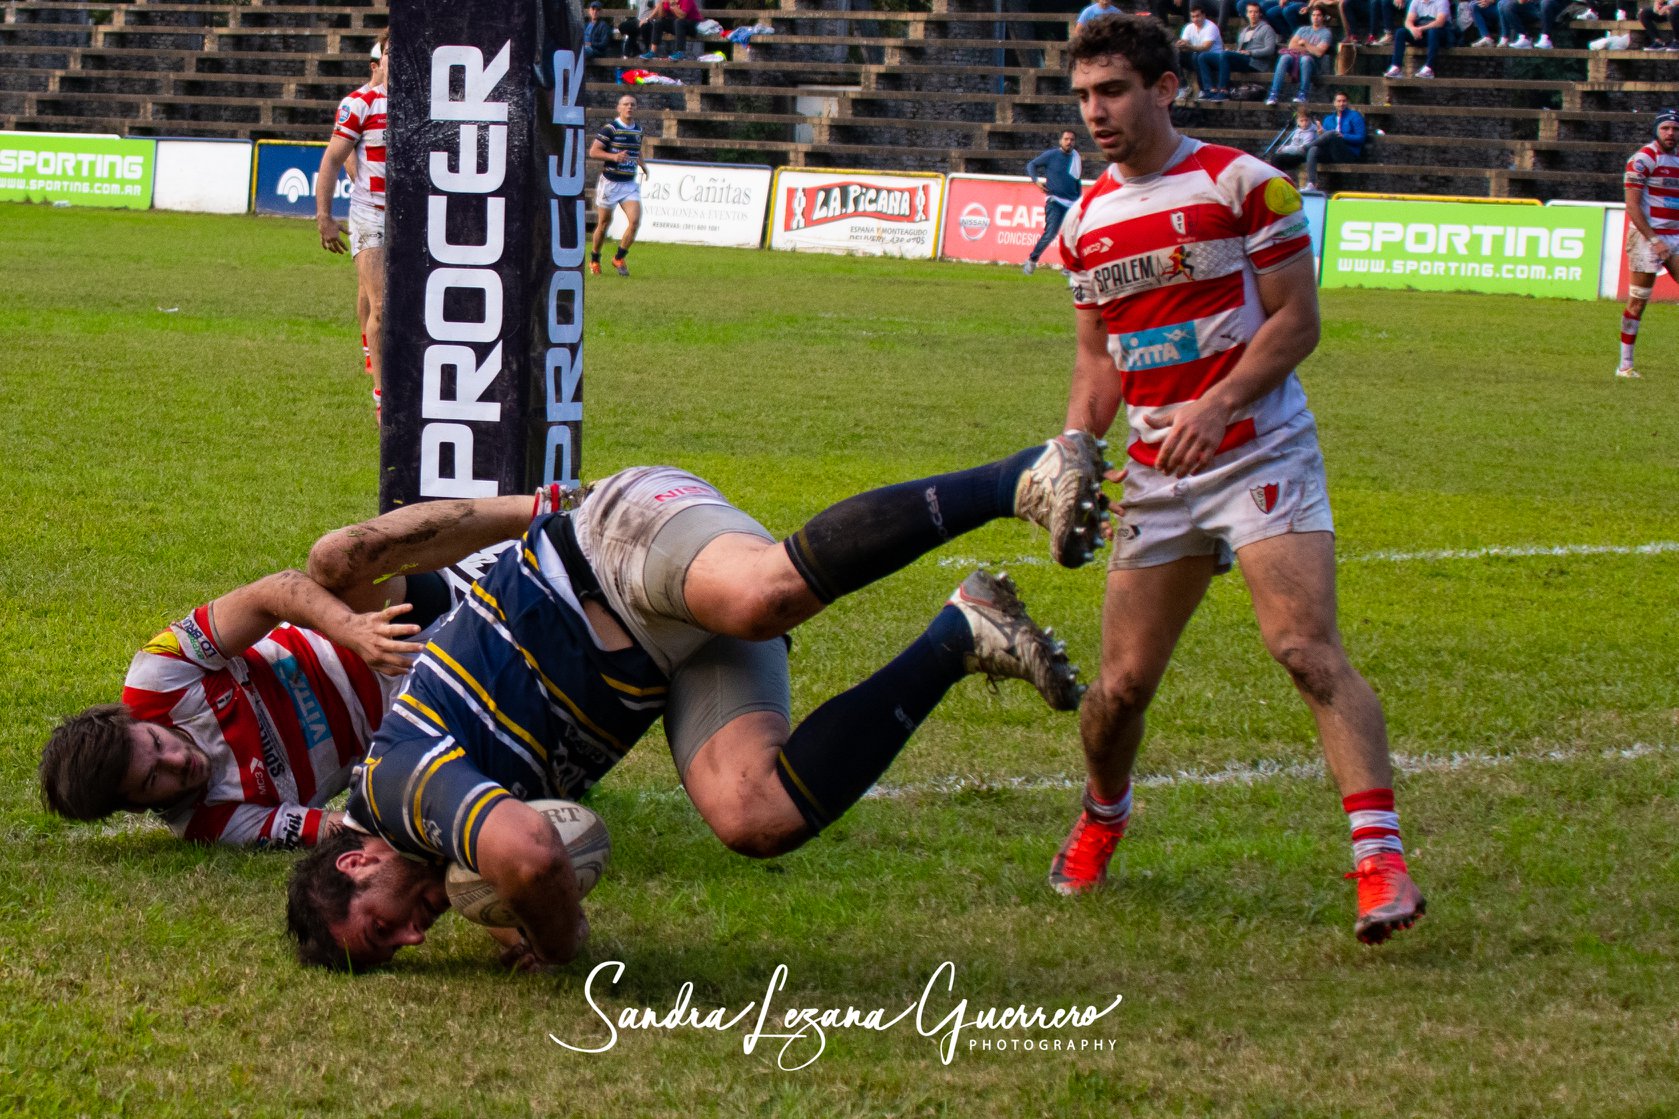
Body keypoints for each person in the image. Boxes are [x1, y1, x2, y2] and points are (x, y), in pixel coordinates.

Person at [285, 439, 1111, 970]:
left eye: (384, 928)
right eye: (399, 951)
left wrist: (561, 943)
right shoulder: (436, 848)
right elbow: (515, 872)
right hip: (662, 657)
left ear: (358, 862)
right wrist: (514, 923)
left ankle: (1023, 475)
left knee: (762, 594)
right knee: (754, 815)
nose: (416, 936)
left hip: (610, 551)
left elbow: (532, 855)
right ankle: (961, 632)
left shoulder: (394, 784)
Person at [1049, 13, 1425, 945]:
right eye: (1084, 96)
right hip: (1152, 475)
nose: (1095, 112)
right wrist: (1068, 447)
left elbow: (1297, 322)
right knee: (1119, 691)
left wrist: (1216, 406)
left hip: (1259, 449)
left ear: (1164, 88)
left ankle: (1379, 863)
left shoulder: (1244, 184)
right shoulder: (1085, 221)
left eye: (1113, 92)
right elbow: (1097, 364)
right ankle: (1103, 812)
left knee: (1304, 649)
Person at [36, 489, 571, 847]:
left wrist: (355, 632)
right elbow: (344, 827)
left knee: (334, 556)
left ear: (137, 721)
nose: (178, 759)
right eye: (154, 779)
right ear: (134, 806)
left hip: (384, 621)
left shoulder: (156, 677)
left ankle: (557, 505)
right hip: (429, 714)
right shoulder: (213, 822)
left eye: (158, 744)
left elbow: (274, 590)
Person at [316, 33, 389, 418]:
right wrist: (324, 216)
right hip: (371, 213)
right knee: (381, 302)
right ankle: (383, 394)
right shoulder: (360, 103)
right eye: (388, 53)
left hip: (414, 219)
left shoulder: (429, 103)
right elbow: (334, 160)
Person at [1615, 109, 1679, 379]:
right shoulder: (1642, 159)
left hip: (1675, 236)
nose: (1671, 133)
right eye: (1666, 128)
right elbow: (1632, 205)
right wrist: (1654, 240)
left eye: (1675, 129)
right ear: (1656, 130)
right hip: (1645, 237)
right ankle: (1625, 366)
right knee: (1638, 301)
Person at [588, 94, 645, 278]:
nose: (629, 107)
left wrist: (642, 164)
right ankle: (595, 259)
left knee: (634, 221)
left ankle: (619, 258)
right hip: (610, 183)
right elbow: (594, 151)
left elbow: (635, 151)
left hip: (628, 183)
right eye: (626, 104)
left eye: (633, 105)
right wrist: (614, 157)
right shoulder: (610, 129)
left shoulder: (638, 130)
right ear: (618, 108)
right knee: (604, 224)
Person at [1023, 130, 1085, 275]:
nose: (1069, 142)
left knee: (1072, 235)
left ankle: (1068, 267)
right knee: (1050, 233)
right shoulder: (1052, 155)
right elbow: (1031, 165)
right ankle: (1032, 259)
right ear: (1060, 141)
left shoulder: (1076, 157)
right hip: (1055, 200)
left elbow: (1077, 180)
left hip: (1072, 203)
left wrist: (1079, 201)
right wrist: (1036, 181)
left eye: (1072, 139)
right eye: (1066, 139)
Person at [1196, 2, 1279, 100]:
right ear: (1246, 14)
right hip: (1241, 59)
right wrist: (1233, 51)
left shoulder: (1267, 29)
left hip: (1254, 62)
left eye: (1256, 12)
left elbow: (1270, 50)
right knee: (1203, 57)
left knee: (1225, 55)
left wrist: (1251, 53)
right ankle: (1209, 90)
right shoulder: (1244, 31)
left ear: (1260, 14)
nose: (1253, 14)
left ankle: (1223, 90)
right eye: (1250, 12)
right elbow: (1240, 50)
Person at [1301, 90, 1367, 190]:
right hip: (1331, 152)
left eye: (1344, 101)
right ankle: (1311, 183)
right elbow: (1323, 140)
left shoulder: (1355, 116)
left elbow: (1361, 138)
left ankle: (1304, 148)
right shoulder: (1328, 119)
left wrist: (1343, 136)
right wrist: (1320, 134)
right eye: (1339, 101)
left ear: (1347, 102)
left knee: (1332, 133)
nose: (1341, 104)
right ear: (1334, 103)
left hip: (1348, 153)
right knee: (1313, 149)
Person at [1267, 7, 1332, 104]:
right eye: (1313, 15)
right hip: (1295, 60)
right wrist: (1311, 49)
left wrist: (1305, 43)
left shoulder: (1326, 33)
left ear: (1323, 17)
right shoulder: (1302, 30)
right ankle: (1274, 94)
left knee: (1305, 59)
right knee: (1284, 57)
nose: (1315, 18)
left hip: (1313, 65)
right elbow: (1291, 46)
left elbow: (1319, 53)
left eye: (1318, 15)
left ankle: (1303, 94)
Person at [1383, 0, 1447, 76]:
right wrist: (1413, 29)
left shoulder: (1442, 1)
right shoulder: (1416, 1)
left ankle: (1429, 68)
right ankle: (1396, 67)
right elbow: (1408, 21)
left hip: (1439, 35)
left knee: (1433, 32)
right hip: (1420, 34)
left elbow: (1440, 22)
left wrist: (1421, 29)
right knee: (1400, 32)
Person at [1177, 4, 1224, 98]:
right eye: (1193, 17)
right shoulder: (1189, 27)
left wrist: (1188, 46)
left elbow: (1206, 47)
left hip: (1215, 58)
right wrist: (1180, 45)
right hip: (1198, 57)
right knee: (1177, 54)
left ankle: (1203, 89)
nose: (1195, 19)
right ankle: (1183, 86)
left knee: (1198, 56)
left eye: (1197, 16)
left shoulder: (1211, 27)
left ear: (1203, 15)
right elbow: (1185, 43)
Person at [1268, 104, 1324, 173]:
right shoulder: (1297, 130)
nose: (1304, 123)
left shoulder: (1311, 131)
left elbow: (1303, 149)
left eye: (1306, 120)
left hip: (1304, 155)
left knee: (1278, 159)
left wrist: (1286, 149)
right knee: (1275, 157)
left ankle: (1281, 180)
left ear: (1310, 120)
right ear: (1297, 121)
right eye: (1302, 121)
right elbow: (1294, 144)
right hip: (1296, 153)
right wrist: (1283, 149)